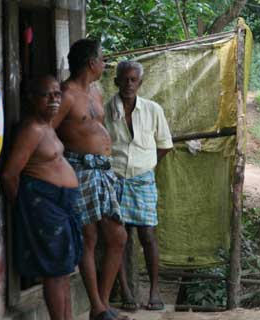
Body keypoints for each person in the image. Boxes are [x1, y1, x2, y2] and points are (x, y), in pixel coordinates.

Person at [52, 39, 128, 320]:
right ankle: (97, 306)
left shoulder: (95, 90)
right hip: (80, 170)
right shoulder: (66, 95)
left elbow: (98, 128)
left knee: (117, 237)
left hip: (103, 171)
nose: (105, 64)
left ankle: (103, 305)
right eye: (102, 59)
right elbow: (48, 131)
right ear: (90, 63)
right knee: (90, 237)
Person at [1, 75, 82, 320]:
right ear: (31, 99)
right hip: (44, 205)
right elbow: (9, 175)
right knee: (55, 272)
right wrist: (27, 209)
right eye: (47, 95)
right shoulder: (31, 129)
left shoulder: (47, 126)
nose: (54, 100)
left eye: (57, 94)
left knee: (64, 270)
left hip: (61, 204)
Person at [104, 61, 173, 312]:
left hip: (143, 179)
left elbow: (164, 144)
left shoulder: (153, 110)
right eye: (124, 79)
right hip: (116, 180)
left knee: (148, 236)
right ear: (116, 82)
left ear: (140, 84)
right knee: (118, 238)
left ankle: (154, 290)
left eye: (134, 80)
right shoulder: (106, 111)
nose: (129, 84)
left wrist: (147, 165)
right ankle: (126, 290)